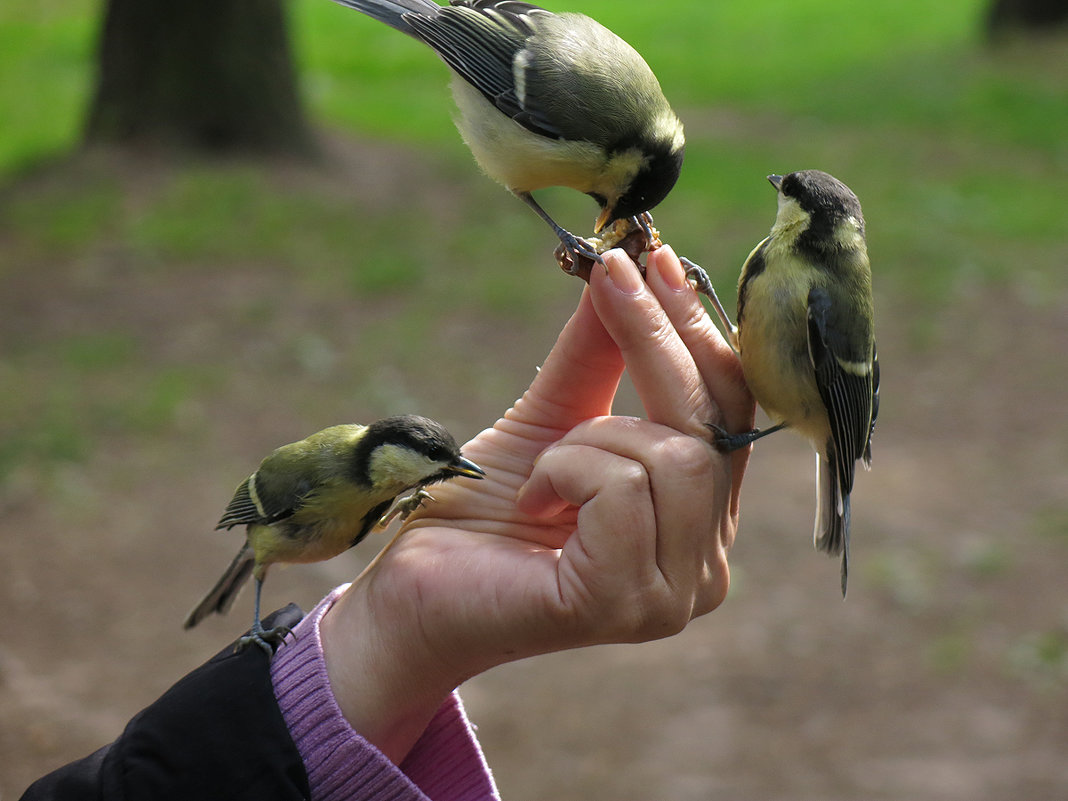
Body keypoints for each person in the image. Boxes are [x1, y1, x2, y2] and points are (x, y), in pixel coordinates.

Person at [21, 247, 753, 801]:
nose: (443, 469)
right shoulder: (313, 479)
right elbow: (256, 499)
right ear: (385, 455)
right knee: (261, 564)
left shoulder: (385, 491)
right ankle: (234, 605)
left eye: (442, 463)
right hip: (271, 541)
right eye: (429, 462)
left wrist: (400, 623)